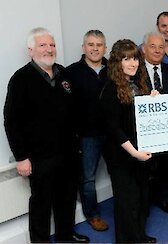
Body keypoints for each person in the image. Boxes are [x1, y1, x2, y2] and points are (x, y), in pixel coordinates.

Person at [3, 27, 89, 243]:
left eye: (52, 45)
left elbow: (74, 110)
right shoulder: (21, 79)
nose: (49, 49)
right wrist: (21, 157)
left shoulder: (63, 73)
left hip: (68, 153)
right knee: (41, 204)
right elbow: (11, 121)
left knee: (67, 198)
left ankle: (65, 235)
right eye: (43, 45)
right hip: (40, 158)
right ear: (31, 49)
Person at [100, 39, 156, 243]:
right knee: (126, 201)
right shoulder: (110, 89)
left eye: (135, 58)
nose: (132, 63)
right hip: (122, 154)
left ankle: (139, 236)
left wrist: (153, 99)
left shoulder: (139, 84)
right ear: (117, 62)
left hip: (140, 151)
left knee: (141, 196)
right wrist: (134, 153)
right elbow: (114, 129)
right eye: (126, 59)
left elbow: (141, 117)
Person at [66, 30, 109, 231]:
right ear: (84, 47)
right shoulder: (71, 73)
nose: (95, 48)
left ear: (105, 48)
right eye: (90, 44)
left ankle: (124, 207)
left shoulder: (114, 69)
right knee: (88, 178)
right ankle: (93, 215)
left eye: (99, 45)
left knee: (120, 172)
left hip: (112, 133)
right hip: (86, 136)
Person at [142, 31, 168, 213]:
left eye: (161, 47)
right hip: (145, 132)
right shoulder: (135, 71)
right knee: (145, 169)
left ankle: (162, 198)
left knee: (166, 167)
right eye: (153, 46)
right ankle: (144, 202)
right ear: (144, 49)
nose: (157, 51)